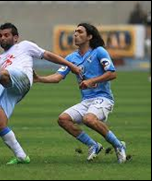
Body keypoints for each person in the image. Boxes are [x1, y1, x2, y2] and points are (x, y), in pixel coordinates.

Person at [0, 23, 81, 165]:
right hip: (8, 88)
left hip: (22, 78)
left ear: (15, 37)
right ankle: (21, 156)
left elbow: (47, 55)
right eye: (0, 36)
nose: (2, 38)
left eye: (6, 35)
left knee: (5, 73)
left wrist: (71, 65)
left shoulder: (24, 46)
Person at [34, 23, 127, 163]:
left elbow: (112, 74)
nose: (75, 34)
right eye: (75, 32)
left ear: (89, 36)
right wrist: (39, 79)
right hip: (87, 101)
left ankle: (119, 145)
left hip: (103, 98)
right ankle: (93, 145)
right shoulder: (71, 58)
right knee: (63, 119)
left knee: (89, 119)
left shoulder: (99, 51)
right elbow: (58, 77)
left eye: (80, 32)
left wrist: (91, 81)